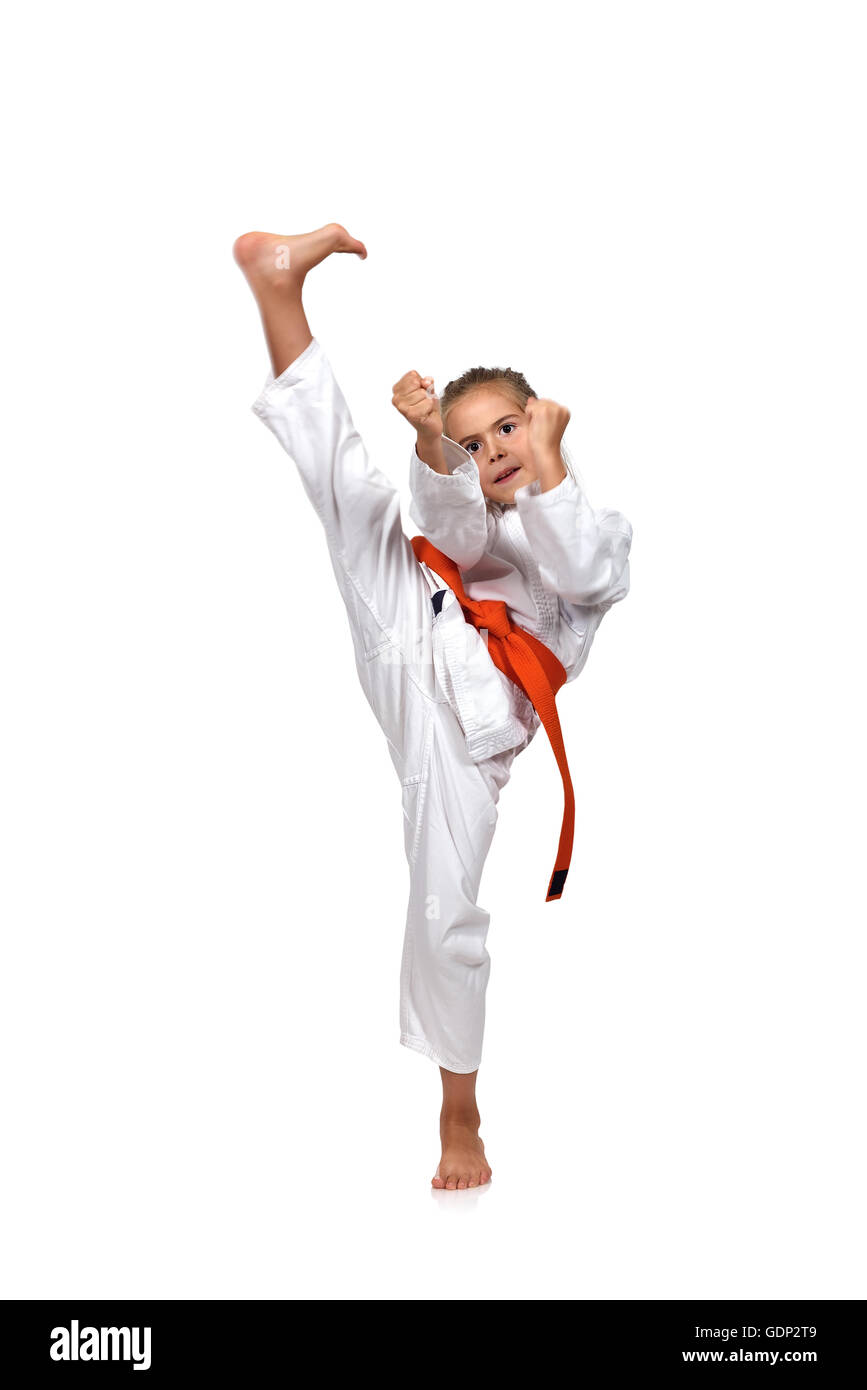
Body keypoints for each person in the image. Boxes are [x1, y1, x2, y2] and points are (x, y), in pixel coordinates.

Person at [233, 222, 633, 1189]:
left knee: (443, 902)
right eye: (473, 440)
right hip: (417, 623)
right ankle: (277, 286)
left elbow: (589, 576)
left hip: (467, 735)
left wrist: (549, 463)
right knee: (351, 499)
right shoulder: (476, 512)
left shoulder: (595, 529)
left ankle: (460, 1109)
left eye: (506, 427)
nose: (491, 450)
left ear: (538, 419)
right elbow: (448, 524)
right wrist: (428, 446)